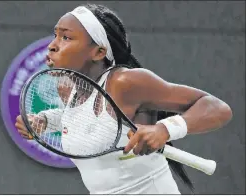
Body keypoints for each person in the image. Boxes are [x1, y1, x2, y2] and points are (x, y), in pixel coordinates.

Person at [15, 4, 233, 194]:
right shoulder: (70, 89)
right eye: (55, 35)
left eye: (66, 37)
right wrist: (44, 121)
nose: (53, 45)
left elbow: (217, 108)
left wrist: (165, 129)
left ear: (99, 52)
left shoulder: (125, 83)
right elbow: (85, 121)